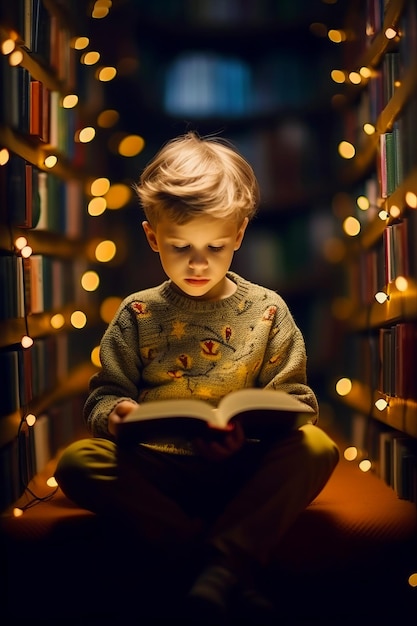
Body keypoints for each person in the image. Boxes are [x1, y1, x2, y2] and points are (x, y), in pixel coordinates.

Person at [55, 131, 339, 624]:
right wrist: (117, 417)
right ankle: (220, 564)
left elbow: (297, 400)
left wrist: (251, 431)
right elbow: (105, 395)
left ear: (240, 237)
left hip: (241, 468)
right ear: (152, 237)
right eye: (180, 246)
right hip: (158, 470)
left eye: (216, 246)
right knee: (78, 462)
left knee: (317, 448)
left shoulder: (268, 311)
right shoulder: (139, 312)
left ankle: (208, 565)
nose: (198, 262)